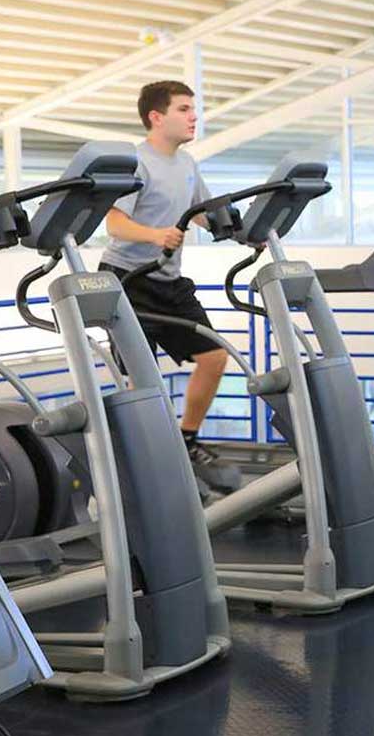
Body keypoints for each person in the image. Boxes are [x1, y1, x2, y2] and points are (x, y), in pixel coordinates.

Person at [98, 80, 237, 494]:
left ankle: (186, 438)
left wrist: (248, 232)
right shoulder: (136, 162)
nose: (193, 116)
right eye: (184, 109)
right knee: (142, 379)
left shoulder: (187, 164)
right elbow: (114, 222)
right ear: (157, 117)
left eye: (193, 109)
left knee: (214, 358)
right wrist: (156, 235)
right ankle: (142, 456)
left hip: (168, 280)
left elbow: (205, 214)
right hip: (127, 279)